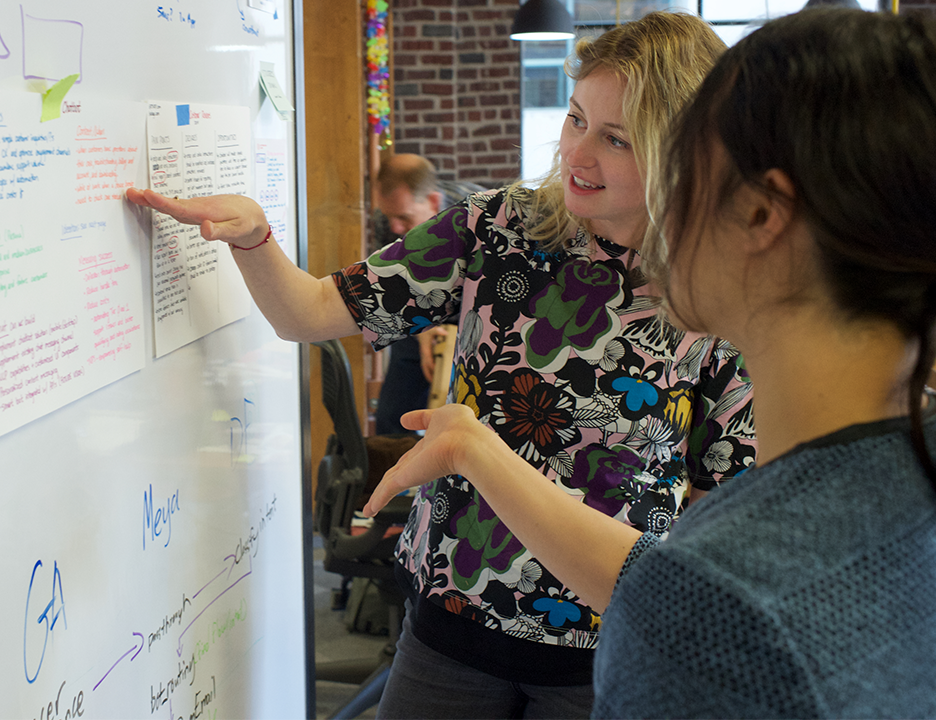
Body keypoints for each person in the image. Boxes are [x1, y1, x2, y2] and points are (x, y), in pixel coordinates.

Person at [127, 12, 752, 717]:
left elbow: (737, 505)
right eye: (576, 119)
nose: (578, 153)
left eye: (616, 139)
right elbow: (303, 314)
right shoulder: (501, 229)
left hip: (611, 652)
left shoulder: (723, 287)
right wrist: (253, 235)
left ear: (681, 154)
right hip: (452, 625)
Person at [364, 7, 936, 717]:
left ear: (761, 214)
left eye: (684, 167)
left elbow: (699, 601)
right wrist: (476, 450)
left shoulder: (710, 624)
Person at [371, 154, 474, 435]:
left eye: (403, 217)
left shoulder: (478, 218)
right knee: (392, 421)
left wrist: (458, 338)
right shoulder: (388, 221)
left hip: (474, 320)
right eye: (389, 216)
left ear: (432, 201)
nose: (394, 228)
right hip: (417, 312)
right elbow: (394, 285)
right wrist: (423, 330)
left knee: (464, 425)